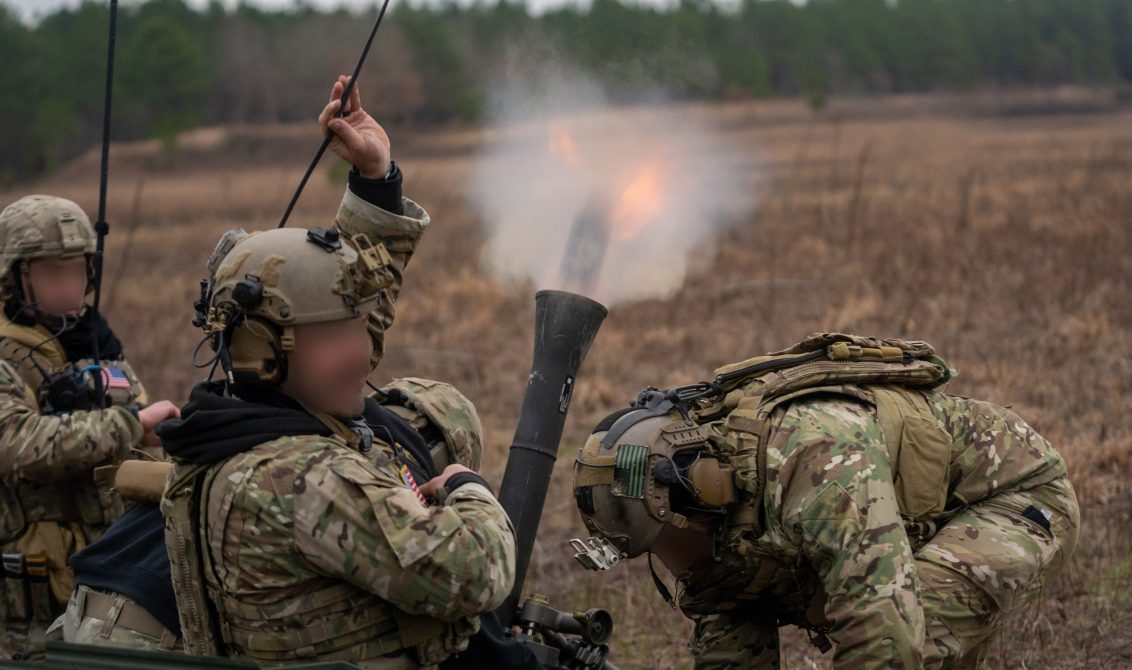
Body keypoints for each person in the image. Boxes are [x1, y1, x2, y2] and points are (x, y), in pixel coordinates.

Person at [159, 76, 517, 669]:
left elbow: (346, 311)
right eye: (333, 335)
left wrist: (374, 182)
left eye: (356, 326)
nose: (363, 353)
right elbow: (478, 571)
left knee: (417, 412)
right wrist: (466, 489)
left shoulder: (241, 415)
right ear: (262, 350)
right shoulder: (299, 478)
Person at [572, 332, 1079, 669]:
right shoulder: (706, 515)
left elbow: (882, 633)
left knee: (909, 630)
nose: (670, 560)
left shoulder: (816, 461)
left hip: (1013, 500)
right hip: (902, 522)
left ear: (694, 491)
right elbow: (731, 642)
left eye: (664, 540)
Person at [0, 194, 179, 660]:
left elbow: (137, 435)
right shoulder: (6, 356)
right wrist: (127, 425)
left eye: (77, 270)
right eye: (52, 272)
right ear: (15, 277)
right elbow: (16, 445)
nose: (69, 286)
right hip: (24, 607)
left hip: (103, 587)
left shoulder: (96, 345)